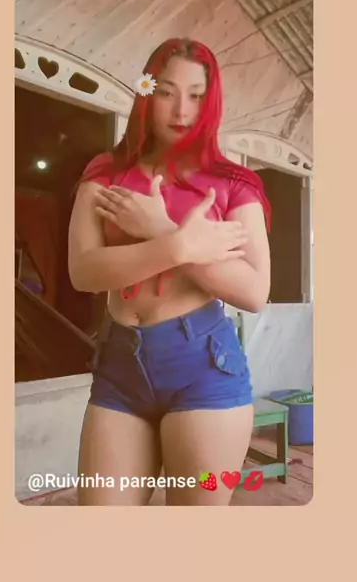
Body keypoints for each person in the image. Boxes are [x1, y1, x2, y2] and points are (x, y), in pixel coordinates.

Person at [68, 37, 271, 506]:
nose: (182, 110)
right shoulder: (106, 171)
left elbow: (254, 291)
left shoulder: (234, 183)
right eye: (165, 92)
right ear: (145, 92)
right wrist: (176, 245)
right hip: (119, 369)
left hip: (203, 369)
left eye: (196, 95)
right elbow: (84, 271)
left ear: (210, 102)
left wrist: (160, 228)